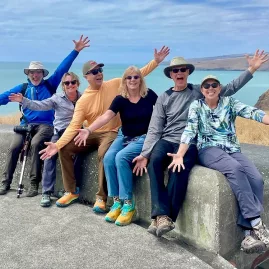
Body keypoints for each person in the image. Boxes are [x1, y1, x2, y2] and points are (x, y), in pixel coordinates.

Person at [132, 50, 269, 237]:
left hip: (191, 142)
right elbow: (155, 128)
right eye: (175, 70)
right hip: (170, 139)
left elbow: (231, 89)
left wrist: (251, 69)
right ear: (171, 75)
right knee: (155, 162)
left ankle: (166, 218)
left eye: (183, 70)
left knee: (179, 170)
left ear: (188, 72)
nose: (179, 73)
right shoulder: (165, 97)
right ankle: (160, 215)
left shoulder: (198, 91)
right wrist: (145, 153)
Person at [39, 46, 170, 210]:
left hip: (112, 132)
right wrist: (58, 144)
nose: (99, 73)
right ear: (87, 77)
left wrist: (156, 62)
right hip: (93, 132)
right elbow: (73, 126)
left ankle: (101, 198)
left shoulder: (114, 84)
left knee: (105, 154)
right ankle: (71, 191)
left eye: (100, 70)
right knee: (65, 149)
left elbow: (136, 76)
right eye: (94, 72)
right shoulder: (83, 100)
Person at [168, 74, 269, 254]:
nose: (210, 88)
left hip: (232, 149)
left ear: (219, 88)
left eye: (214, 85)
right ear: (202, 90)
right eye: (206, 86)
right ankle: (255, 222)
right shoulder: (197, 106)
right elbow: (189, 131)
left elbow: (252, 112)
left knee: (256, 180)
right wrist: (180, 154)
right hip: (208, 150)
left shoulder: (229, 102)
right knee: (235, 169)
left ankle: (248, 235)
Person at [0, 35, 89, 197]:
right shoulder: (23, 87)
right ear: (28, 74)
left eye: (38, 72)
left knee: (35, 144)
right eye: (32, 73)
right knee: (14, 147)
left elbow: (62, 69)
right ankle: (5, 182)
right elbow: (4, 97)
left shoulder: (50, 84)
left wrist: (75, 51)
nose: (35, 75)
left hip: (46, 126)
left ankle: (34, 183)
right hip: (25, 124)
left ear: (42, 73)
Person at [74, 66, 158, 225]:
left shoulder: (149, 95)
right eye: (129, 77)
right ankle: (117, 201)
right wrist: (89, 129)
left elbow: (162, 111)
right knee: (108, 158)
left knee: (121, 157)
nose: (132, 80)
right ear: (124, 81)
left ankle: (128, 204)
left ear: (141, 79)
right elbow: (107, 116)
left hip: (144, 138)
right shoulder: (120, 99)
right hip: (124, 135)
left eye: (136, 77)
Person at [9, 72, 82, 207]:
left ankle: (71, 189)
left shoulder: (84, 98)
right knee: (49, 154)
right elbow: (40, 105)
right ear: (63, 86)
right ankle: (47, 192)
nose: (70, 85)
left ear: (78, 83)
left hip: (76, 133)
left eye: (73, 82)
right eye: (67, 83)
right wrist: (23, 100)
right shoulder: (57, 98)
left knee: (78, 153)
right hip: (59, 132)